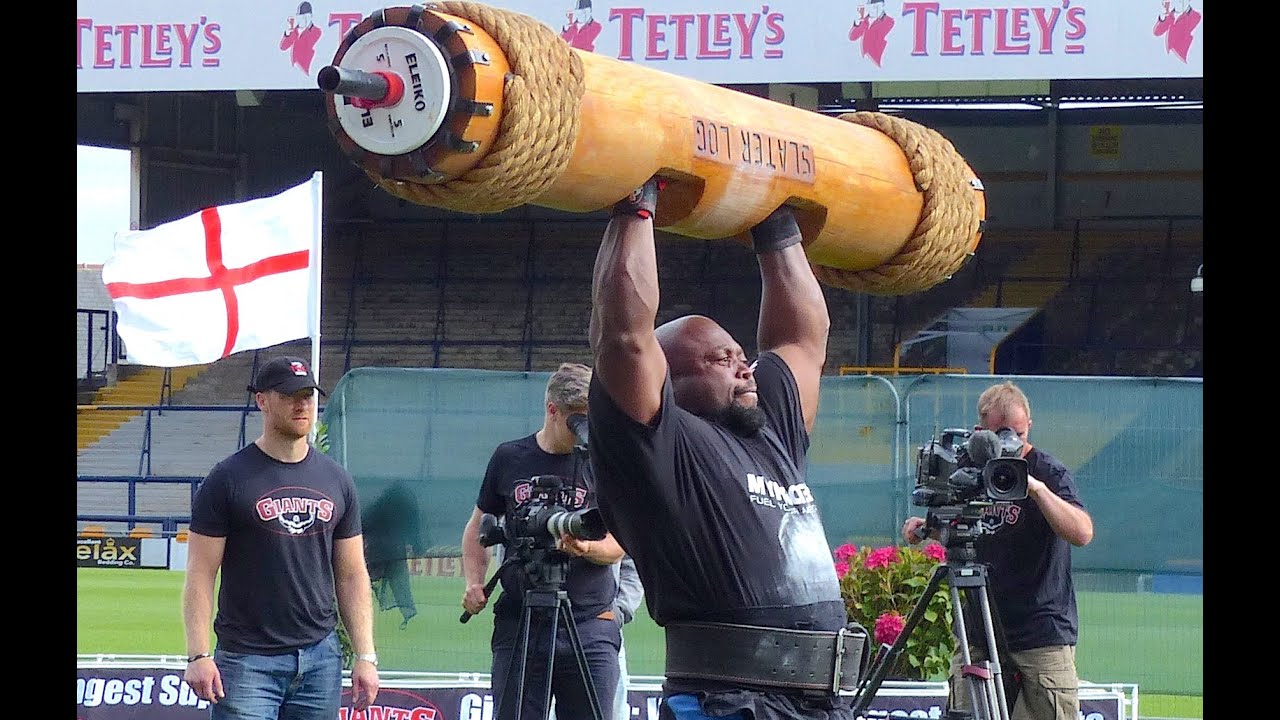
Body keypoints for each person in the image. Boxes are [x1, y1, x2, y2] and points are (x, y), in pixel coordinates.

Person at [585, 177, 864, 719]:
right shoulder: (657, 445)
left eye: (741, 353)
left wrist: (776, 225)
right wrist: (635, 200)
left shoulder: (768, 429)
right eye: (721, 358)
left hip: (821, 702)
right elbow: (623, 335)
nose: (745, 365)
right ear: (673, 380)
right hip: (728, 702)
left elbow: (805, 340)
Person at [182, 355, 380, 718]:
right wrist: (198, 653)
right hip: (247, 661)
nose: (302, 403)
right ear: (262, 400)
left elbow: (351, 574)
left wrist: (365, 655)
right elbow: (200, 571)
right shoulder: (228, 478)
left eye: (308, 394)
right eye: (290, 395)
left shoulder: (337, 479)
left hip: (320, 657)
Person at [901, 381, 1094, 720]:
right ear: (979, 433)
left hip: (1040, 633)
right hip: (980, 629)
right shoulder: (967, 473)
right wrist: (926, 528)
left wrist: (1034, 488)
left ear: (1029, 426)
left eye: (1017, 434)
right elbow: (959, 528)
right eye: (999, 436)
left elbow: (1082, 532)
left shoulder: (1048, 472)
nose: (1011, 444)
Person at [460, 362, 627, 720]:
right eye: (577, 419)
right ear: (552, 411)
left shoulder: (606, 462)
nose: (587, 429)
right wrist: (474, 582)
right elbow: (478, 527)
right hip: (520, 623)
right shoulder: (509, 457)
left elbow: (620, 543)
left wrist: (587, 548)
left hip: (589, 624)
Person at [363, 479, 427, 629]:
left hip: (376, 551)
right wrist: (418, 548)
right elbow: (414, 528)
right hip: (395, 551)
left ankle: (362, 610)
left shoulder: (378, 505)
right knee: (399, 583)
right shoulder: (407, 506)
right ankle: (407, 612)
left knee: (367, 581)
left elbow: (363, 523)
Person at [612, 554, 645, 720]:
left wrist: (620, 609)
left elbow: (633, 560)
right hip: (529, 629)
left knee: (610, 714)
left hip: (601, 634)